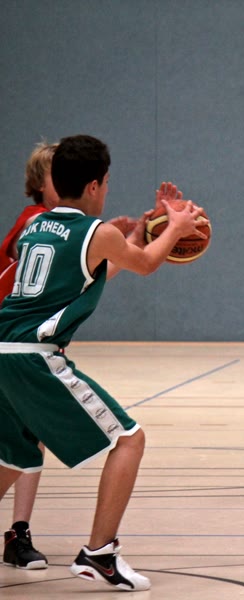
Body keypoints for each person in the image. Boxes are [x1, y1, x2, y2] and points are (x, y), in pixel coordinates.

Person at [0, 134, 207, 590]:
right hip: (34, 357)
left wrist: (140, 232)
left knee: (13, 458)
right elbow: (146, 264)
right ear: (95, 185)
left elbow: (92, 269)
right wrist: (176, 227)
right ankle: (99, 553)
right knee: (129, 440)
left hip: (2, 354)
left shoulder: (36, 225)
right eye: (107, 183)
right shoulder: (97, 233)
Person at [0, 142, 58, 570]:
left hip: (24, 348)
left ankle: (19, 533)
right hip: (7, 344)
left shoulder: (61, 227)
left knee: (30, 438)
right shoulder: (37, 222)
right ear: (40, 183)